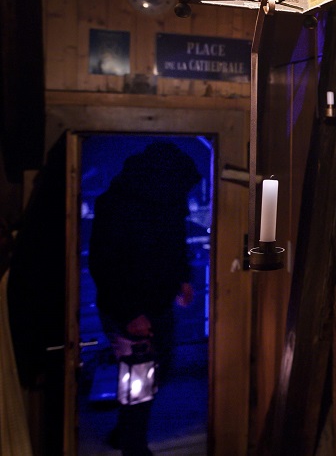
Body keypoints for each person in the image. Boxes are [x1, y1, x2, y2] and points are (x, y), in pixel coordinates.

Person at [89, 142, 200, 456]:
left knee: (156, 369)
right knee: (139, 375)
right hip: (130, 307)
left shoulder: (164, 200)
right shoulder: (119, 205)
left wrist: (181, 278)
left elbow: (172, 246)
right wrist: (130, 313)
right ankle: (132, 444)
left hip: (153, 302)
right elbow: (105, 264)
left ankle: (125, 434)